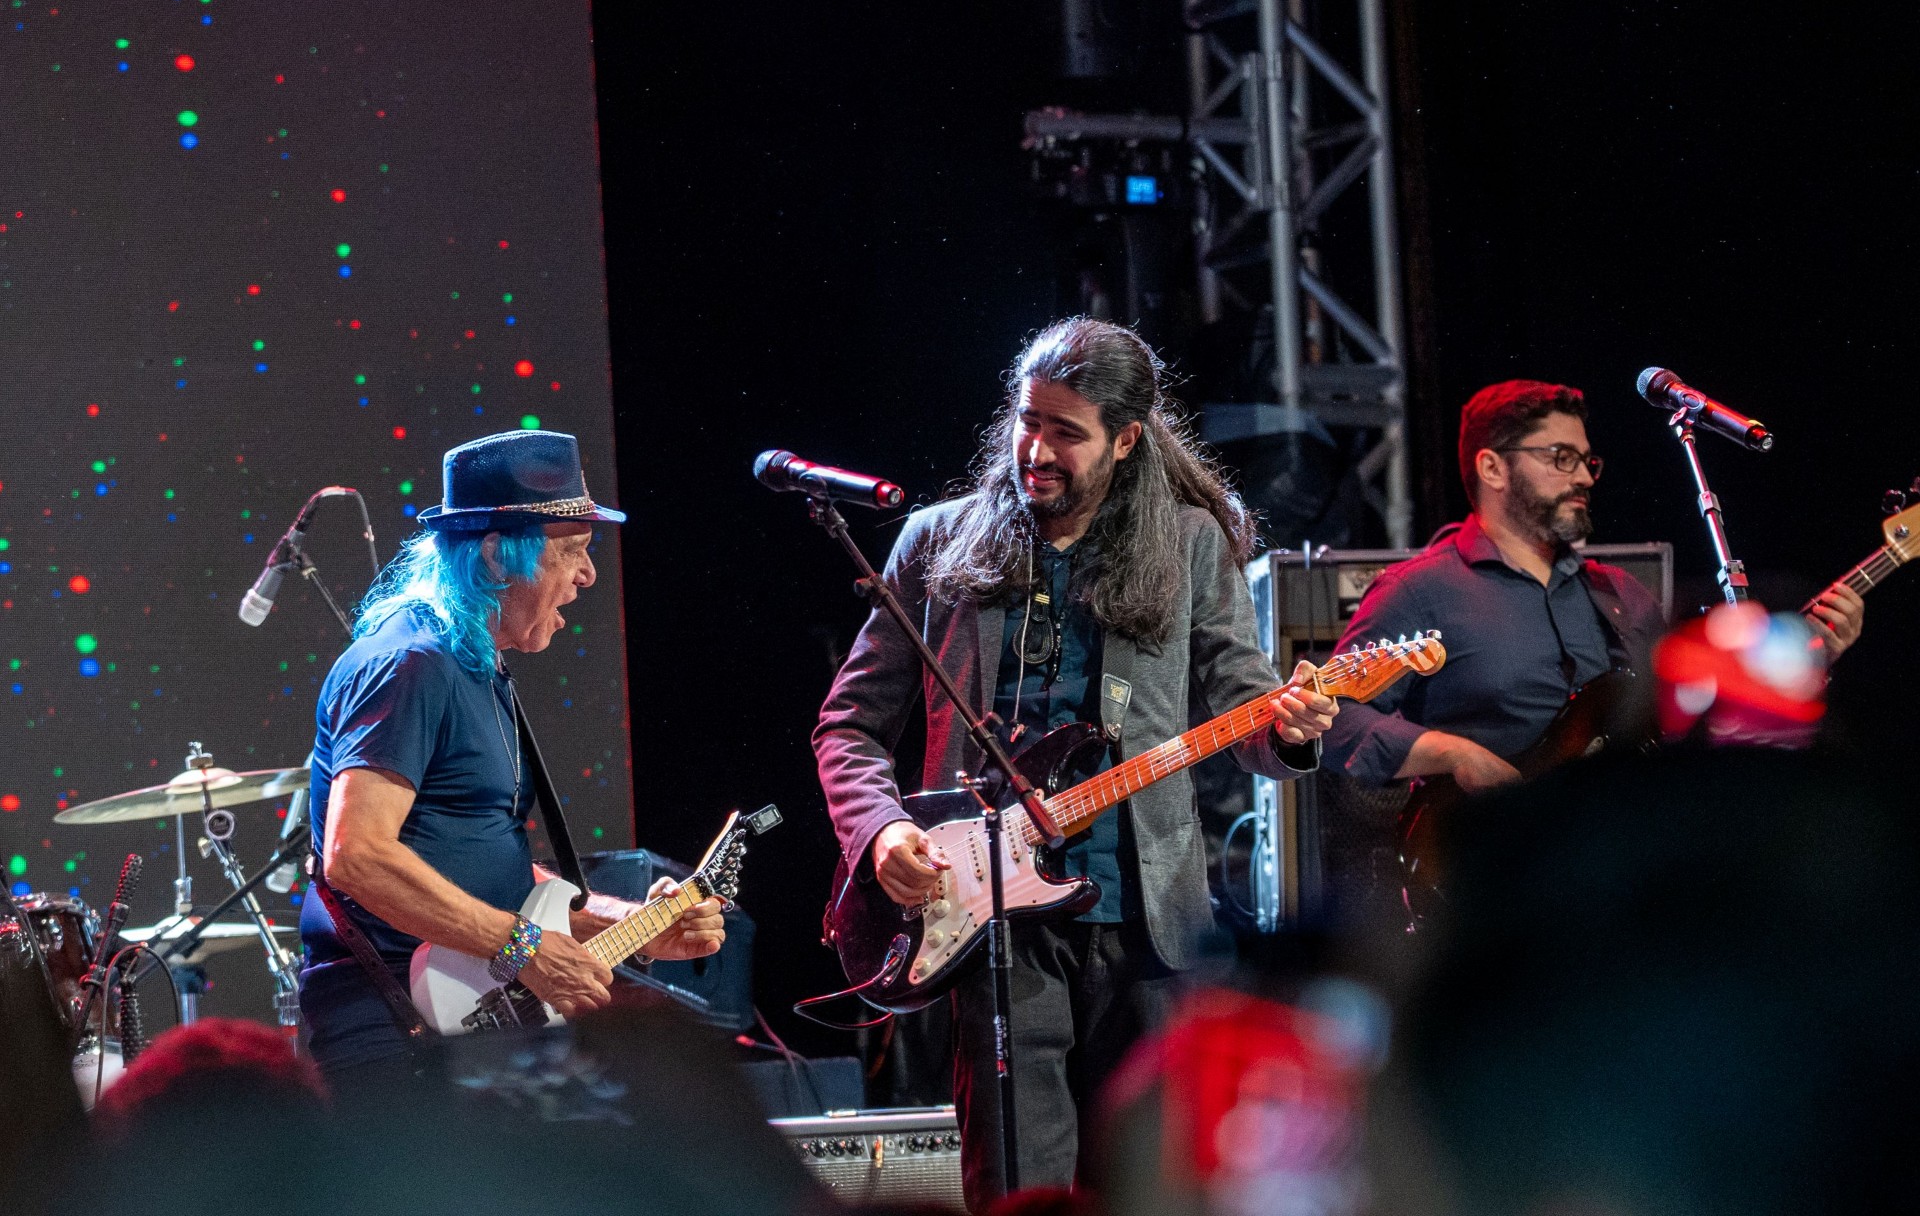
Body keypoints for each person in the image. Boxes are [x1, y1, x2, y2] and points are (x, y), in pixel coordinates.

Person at [815, 318, 1338, 1210]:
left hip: (1145, 919)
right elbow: (849, 724)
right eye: (1027, 421)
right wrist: (883, 829)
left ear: (1126, 440)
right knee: (1019, 1186)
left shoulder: (1189, 543)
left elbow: (1247, 707)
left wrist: (1291, 728)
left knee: (1151, 1184)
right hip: (988, 925)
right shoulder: (936, 542)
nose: (1036, 450)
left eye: (1066, 432)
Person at [298, 430, 726, 1075]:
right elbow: (357, 856)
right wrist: (524, 947)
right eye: (572, 551)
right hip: (393, 1030)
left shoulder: (476, 666)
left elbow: (476, 865)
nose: (587, 575)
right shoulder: (411, 660)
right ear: (498, 557)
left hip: (465, 1025)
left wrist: (633, 923)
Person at [1321, 379, 1865, 796]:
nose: (1583, 476)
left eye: (1587, 461)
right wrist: (1453, 753)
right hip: (1486, 869)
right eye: (1560, 458)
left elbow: (1691, 721)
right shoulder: (1420, 591)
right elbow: (1333, 715)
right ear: (1492, 468)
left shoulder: (1623, 595)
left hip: (1613, 866)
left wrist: (1805, 658)